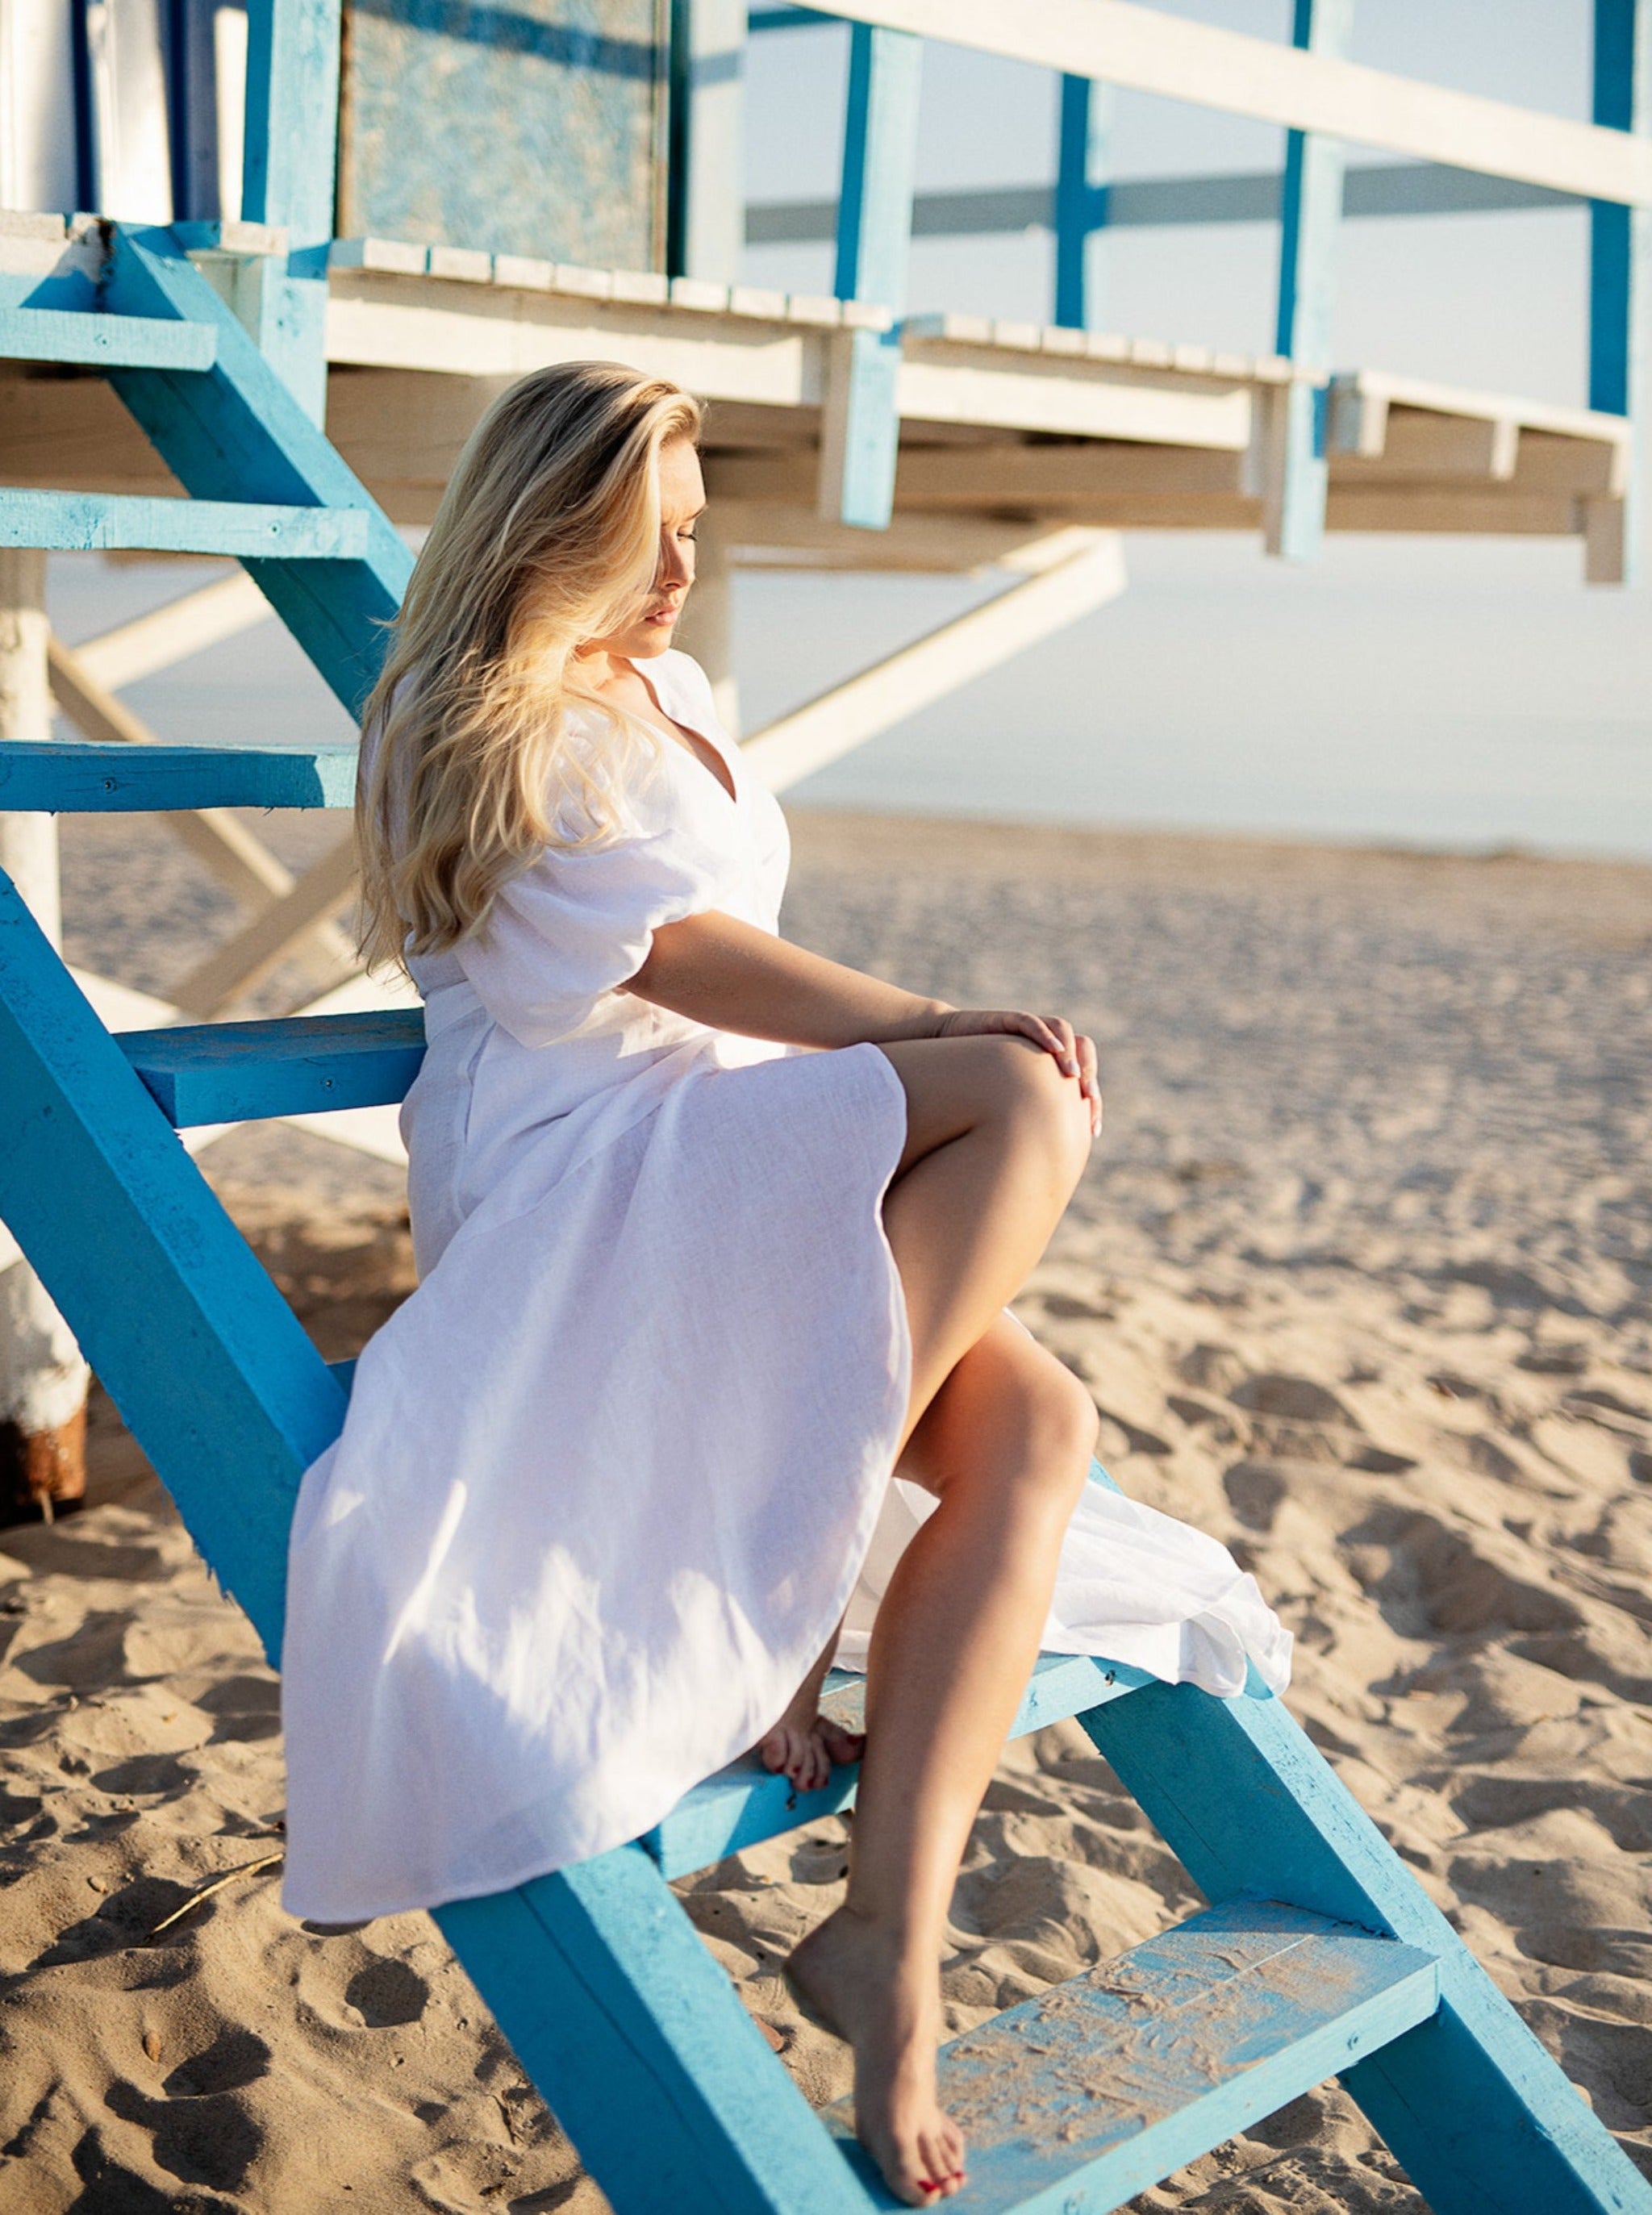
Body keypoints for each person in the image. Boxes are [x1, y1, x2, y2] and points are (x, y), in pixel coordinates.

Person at [279, 361, 1291, 2205]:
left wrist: (909, 1043)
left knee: (1041, 1425)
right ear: (550, 527)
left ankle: (886, 1936)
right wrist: (927, 1018)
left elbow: (724, 958)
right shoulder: (464, 711)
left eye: (694, 532)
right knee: (1016, 1089)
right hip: (585, 1178)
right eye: (646, 537)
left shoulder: (664, 687)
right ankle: (799, 1566)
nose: (680, 573)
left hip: (717, 1141)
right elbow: (664, 951)